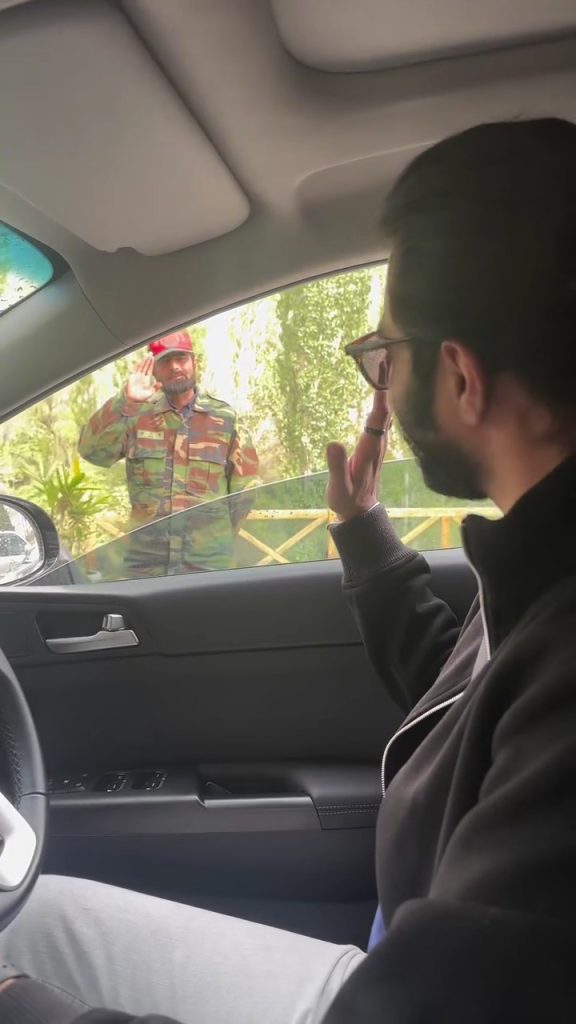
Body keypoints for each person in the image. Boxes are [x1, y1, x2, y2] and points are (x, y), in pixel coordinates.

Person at [3, 116, 576, 1022]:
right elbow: (459, 702)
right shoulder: (543, 566)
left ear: (460, 375)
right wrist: (365, 538)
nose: (378, 387)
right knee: (31, 921)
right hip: (394, 968)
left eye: (381, 357)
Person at [78, 331, 260, 577]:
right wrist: (126, 400)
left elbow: (245, 489)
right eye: (165, 361)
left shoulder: (225, 419)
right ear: (153, 368)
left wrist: (213, 536)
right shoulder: (136, 417)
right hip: (147, 565)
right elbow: (92, 452)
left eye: (181, 358)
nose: (174, 367)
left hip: (208, 565)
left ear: (194, 362)